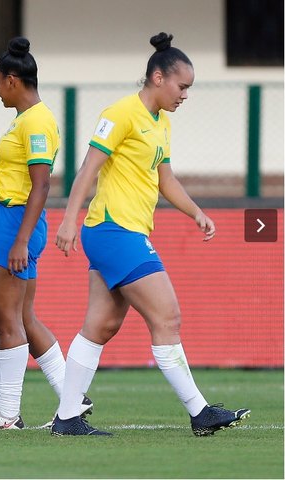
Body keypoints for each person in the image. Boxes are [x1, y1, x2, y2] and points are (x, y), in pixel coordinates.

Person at [52, 33, 250, 436]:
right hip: (113, 229)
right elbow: (88, 169)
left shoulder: (161, 123)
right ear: (158, 78)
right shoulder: (121, 113)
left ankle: (67, 418)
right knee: (168, 316)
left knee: (101, 325)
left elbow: (166, 179)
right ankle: (200, 412)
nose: (185, 95)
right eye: (182, 86)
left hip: (123, 231)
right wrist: (69, 219)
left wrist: (196, 212)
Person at [0, 37, 86, 430]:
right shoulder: (27, 118)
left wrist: (18, 239)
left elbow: (41, 185)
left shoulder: (36, 121)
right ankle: (73, 399)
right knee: (26, 319)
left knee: (6, 320)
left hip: (13, 222)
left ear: (12, 79)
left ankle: (7, 414)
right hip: (14, 217)